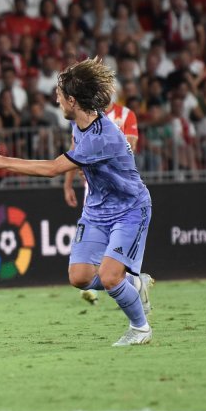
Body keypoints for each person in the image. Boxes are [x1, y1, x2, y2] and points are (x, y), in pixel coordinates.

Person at [0, 58, 155, 347]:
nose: (56, 100)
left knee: (110, 277)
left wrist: (2, 162)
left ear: (72, 100)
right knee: (80, 276)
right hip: (97, 211)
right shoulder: (81, 123)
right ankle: (135, 283)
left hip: (129, 210)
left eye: (59, 95)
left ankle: (140, 329)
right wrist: (69, 183)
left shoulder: (102, 137)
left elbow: (51, 167)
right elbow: (74, 153)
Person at [63, 95, 140, 304]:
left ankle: (122, 281)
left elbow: (130, 146)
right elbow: (74, 151)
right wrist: (68, 183)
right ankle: (118, 282)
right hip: (93, 188)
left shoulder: (125, 115)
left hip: (118, 188)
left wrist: (96, 160)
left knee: (115, 237)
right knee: (94, 233)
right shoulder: (81, 117)